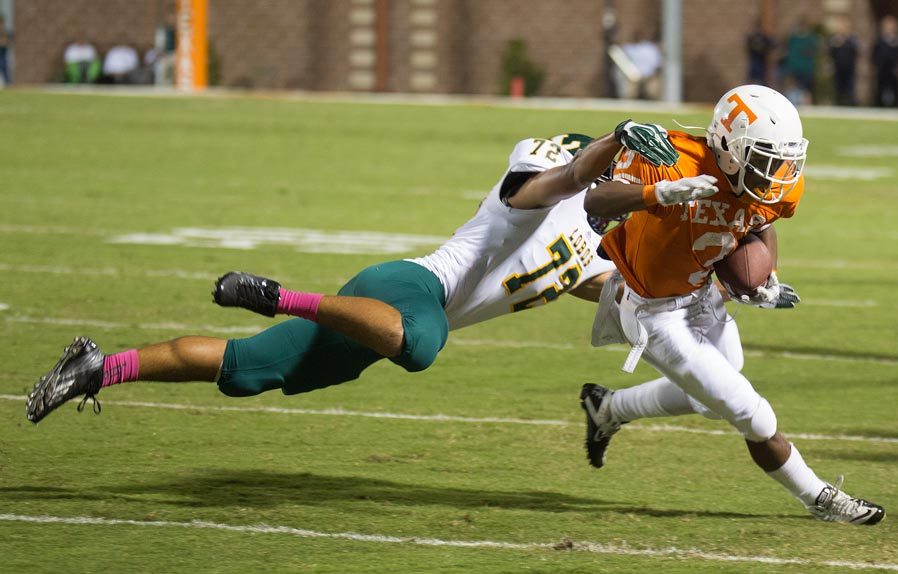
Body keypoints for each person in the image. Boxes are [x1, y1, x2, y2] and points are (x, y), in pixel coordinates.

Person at [25, 123, 679, 424]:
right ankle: (277, 295)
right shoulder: (544, 185)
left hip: (381, 320)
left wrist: (722, 281)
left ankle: (95, 366)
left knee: (247, 371)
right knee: (422, 348)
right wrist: (619, 139)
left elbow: (617, 289)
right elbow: (567, 177)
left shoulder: (592, 246)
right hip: (408, 288)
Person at [581, 84, 885, 525]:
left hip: (700, 294)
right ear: (727, 146)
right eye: (762, 158)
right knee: (752, 413)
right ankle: (819, 498)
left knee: (712, 397)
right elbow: (596, 200)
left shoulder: (770, 182)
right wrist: (660, 194)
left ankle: (608, 407)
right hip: (650, 309)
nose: (775, 173)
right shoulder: (673, 160)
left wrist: (764, 278)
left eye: (780, 160)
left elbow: (763, 221)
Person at [828, 16, 859, 106]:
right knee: (837, 87)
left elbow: (857, 50)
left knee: (850, 87)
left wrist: (846, 40)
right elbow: (829, 51)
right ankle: (837, 104)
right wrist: (835, 43)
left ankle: (850, 104)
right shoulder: (834, 38)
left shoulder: (852, 38)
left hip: (849, 67)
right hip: (838, 66)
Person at [872, 15, 898, 108]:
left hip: (893, 70)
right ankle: (878, 107)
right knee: (880, 89)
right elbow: (874, 54)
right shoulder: (879, 41)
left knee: (894, 89)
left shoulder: (897, 41)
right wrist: (876, 65)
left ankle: (894, 107)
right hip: (882, 69)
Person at [746, 20, 775, 86]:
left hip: (762, 61)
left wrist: (764, 48)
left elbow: (772, 45)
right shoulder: (752, 37)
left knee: (762, 80)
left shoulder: (764, 38)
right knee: (752, 79)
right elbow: (750, 47)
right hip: (754, 60)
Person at [0, 15, 11, 86]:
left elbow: (4, 43)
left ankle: (8, 85)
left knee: (5, 71)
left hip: (3, 56)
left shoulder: (5, 32)